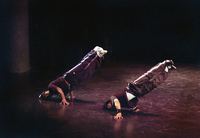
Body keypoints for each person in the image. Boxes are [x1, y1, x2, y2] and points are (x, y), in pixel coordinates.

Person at [103, 60, 176, 119]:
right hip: (139, 93)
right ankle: (167, 69)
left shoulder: (112, 98)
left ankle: (163, 64)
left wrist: (119, 112)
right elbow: (130, 102)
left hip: (133, 86)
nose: (109, 106)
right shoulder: (122, 105)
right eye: (109, 108)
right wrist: (134, 108)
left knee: (148, 75)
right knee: (154, 84)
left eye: (107, 105)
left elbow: (117, 102)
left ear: (108, 102)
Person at [39, 46, 107, 105]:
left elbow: (59, 89)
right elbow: (69, 87)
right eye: (47, 97)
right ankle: (99, 56)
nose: (47, 95)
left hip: (69, 76)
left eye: (45, 95)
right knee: (88, 73)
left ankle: (94, 51)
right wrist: (71, 96)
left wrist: (63, 99)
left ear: (45, 92)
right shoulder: (56, 94)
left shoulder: (50, 86)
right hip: (73, 82)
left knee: (82, 64)